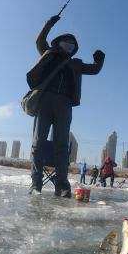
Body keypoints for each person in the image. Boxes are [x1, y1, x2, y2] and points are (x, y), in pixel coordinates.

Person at [29, 15, 105, 196]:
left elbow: (93, 70)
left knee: (62, 145)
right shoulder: (48, 54)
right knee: (38, 144)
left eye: (72, 45)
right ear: (58, 43)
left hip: (64, 105)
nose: (69, 46)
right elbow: (40, 41)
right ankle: (35, 184)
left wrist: (99, 61)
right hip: (44, 102)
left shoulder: (75, 64)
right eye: (66, 43)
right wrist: (49, 23)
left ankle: (62, 186)